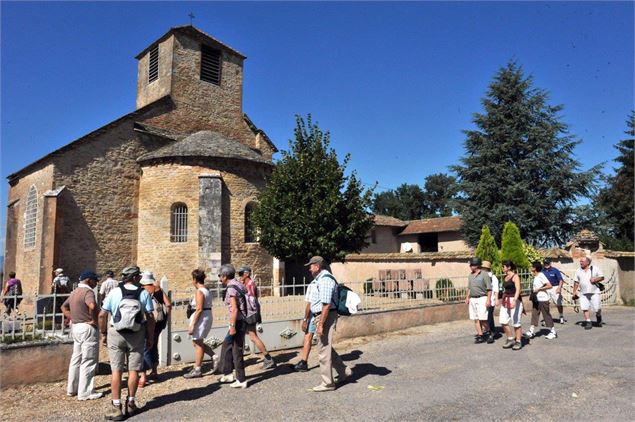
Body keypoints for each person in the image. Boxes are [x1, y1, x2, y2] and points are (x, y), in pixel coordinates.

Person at [99, 266, 155, 420]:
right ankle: (131, 403)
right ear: (136, 277)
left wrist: (103, 333)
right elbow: (150, 317)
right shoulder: (143, 293)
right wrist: (150, 337)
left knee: (116, 371)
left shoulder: (114, 292)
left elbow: (102, 314)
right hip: (136, 334)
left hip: (115, 333)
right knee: (134, 371)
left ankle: (116, 407)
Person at [305, 256, 352, 392]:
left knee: (323, 350)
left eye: (311, 265)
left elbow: (326, 305)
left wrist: (320, 324)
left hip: (325, 315)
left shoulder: (325, 280)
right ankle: (344, 371)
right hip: (322, 315)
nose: (309, 268)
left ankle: (327, 383)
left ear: (318, 266)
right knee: (326, 348)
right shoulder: (321, 279)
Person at [61, 270, 103, 401]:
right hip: (87, 327)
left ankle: (72, 389)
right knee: (88, 360)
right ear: (89, 280)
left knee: (76, 359)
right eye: (95, 280)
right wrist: (94, 320)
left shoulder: (74, 292)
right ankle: (85, 392)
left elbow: (63, 306)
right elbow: (92, 305)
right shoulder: (88, 292)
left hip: (76, 327)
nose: (96, 283)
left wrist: (72, 317)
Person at [238, 265, 276, 370]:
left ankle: (268, 358)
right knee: (243, 336)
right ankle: (238, 359)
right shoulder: (246, 283)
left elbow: (251, 301)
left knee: (253, 336)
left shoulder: (250, 284)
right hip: (248, 313)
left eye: (241, 274)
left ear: (246, 274)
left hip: (250, 313)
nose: (239, 276)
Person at [217, 264, 249, 388]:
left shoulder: (231, 288)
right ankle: (228, 373)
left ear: (225, 276)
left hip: (238, 322)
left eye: (220, 275)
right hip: (240, 321)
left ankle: (241, 380)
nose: (219, 278)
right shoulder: (237, 284)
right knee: (227, 346)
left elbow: (234, 309)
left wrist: (232, 326)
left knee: (237, 350)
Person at [139, 271, 172, 385]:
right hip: (158, 323)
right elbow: (168, 305)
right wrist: (165, 319)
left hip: (145, 322)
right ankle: (154, 371)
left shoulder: (140, 290)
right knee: (154, 346)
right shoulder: (158, 289)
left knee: (144, 348)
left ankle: (143, 376)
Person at [183, 269, 216, 379]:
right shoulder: (206, 289)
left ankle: (197, 368)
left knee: (197, 344)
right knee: (197, 342)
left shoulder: (200, 291)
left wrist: (193, 324)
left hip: (201, 318)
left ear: (195, 280)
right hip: (206, 316)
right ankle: (214, 356)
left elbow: (199, 309)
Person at [524, 262, 557, 340]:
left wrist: (539, 289)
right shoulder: (535, 276)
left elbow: (549, 285)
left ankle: (553, 332)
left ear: (535, 268)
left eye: (532, 266)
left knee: (546, 315)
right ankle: (531, 331)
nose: (530, 267)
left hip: (543, 299)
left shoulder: (541, 275)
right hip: (537, 299)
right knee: (534, 314)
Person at [464, 258, 494, 344]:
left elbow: (489, 288)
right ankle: (480, 335)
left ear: (476, 265)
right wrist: (467, 297)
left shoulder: (484, 274)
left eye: (471, 265)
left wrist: (488, 299)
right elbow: (469, 288)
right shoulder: (470, 275)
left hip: (482, 298)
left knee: (483, 318)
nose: (470, 266)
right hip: (473, 298)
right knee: (475, 318)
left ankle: (489, 333)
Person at [294, 275, 319, 372]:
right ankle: (304, 362)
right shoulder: (329, 281)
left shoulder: (312, 285)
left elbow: (309, 304)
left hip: (315, 315)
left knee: (308, 336)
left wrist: (305, 319)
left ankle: (304, 362)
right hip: (327, 314)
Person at [573, 256, 604, 330]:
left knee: (597, 308)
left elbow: (602, 277)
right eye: (580, 261)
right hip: (583, 293)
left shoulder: (595, 268)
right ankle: (588, 322)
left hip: (594, 292)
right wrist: (574, 291)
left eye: (582, 261)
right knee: (584, 307)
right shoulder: (578, 271)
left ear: (588, 262)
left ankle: (598, 316)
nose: (580, 263)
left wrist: (595, 279)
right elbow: (576, 282)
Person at [500, 260, 524, 350]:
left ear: (509, 267)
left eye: (503, 266)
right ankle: (510, 339)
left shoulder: (515, 276)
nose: (502, 268)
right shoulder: (505, 277)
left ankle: (518, 341)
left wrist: (514, 300)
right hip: (506, 300)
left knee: (516, 321)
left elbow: (518, 289)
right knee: (503, 320)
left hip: (515, 299)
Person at [542, 258, 566, 324]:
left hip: (554, 287)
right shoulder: (542, 271)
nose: (546, 265)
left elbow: (561, 280)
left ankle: (561, 316)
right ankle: (546, 318)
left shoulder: (555, 270)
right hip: (545, 288)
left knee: (558, 303)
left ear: (550, 263)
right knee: (545, 304)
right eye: (545, 263)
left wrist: (559, 288)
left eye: (547, 263)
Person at [481, 261, 500, 336]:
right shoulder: (481, 276)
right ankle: (487, 329)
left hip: (491, 299)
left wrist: (496, 299)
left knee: (489, 316)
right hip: (482, 299)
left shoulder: (492, 277)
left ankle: (492, 331)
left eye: (482, 268)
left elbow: (496, 289)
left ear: (486, 268)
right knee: (482, 316)